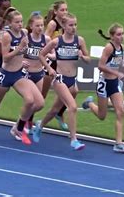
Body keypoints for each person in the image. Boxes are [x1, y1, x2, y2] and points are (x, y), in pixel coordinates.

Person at [0, 8, 46, 145]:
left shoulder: (25, 33)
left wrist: (23, 60)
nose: (20, 24)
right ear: (10, 23)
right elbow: (6, 58)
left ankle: (19, 128)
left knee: (35, 101)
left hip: (19, 74)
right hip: (6, 74)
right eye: (17, 22)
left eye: (21, 21)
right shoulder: (7, 36)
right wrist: (19, 49)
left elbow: (27, 51)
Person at [33, 13, 90, 150]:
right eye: (70, 25)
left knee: (54, 110)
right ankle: (74, 140)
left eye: (75, 25)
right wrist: (48, 68)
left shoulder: (80, 41)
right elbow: (41, 54)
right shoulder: (56, 42)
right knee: (72, 107)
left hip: (72, 80)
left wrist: (82, 57)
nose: (73, 28)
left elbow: (88, 59)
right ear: (64, 26)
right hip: (60, 79)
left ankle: (40, 125)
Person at [82, 23, 124, 153]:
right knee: (102, 116)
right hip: (104, 83)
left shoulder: (121, 47)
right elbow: (100, 65)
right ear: (112, 36)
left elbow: (118, 60)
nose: (121, 37)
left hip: (114, 84)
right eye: (119, 34)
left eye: (123, 34)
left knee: (121, 111)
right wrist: (116, 73)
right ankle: (89, 103)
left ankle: (119, 143)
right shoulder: (108, 48)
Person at [22, 11, 51, 132]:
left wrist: (51, 56)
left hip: (39, 74)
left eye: (42, 25)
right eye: (37, 25)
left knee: (38, 103)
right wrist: (21, 63)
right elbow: (18, 52)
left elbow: (51, 53)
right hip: (26, 74)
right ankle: (22, 123)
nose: (40, 28)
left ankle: (27, 120)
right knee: (30, 101)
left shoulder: (46, 39)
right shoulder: (26, 39)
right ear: (31, 26)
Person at [43, 0, 69, 131]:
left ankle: (59, 113)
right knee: (42, 95)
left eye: (66, 9)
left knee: (71, 90)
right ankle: (27, 121)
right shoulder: (53, 24)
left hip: (63, 61)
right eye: (62, 10)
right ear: (55, 11)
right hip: (51, 61)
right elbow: (45, 39)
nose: (65, 12)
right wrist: (51, 52)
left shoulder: (68, 23)